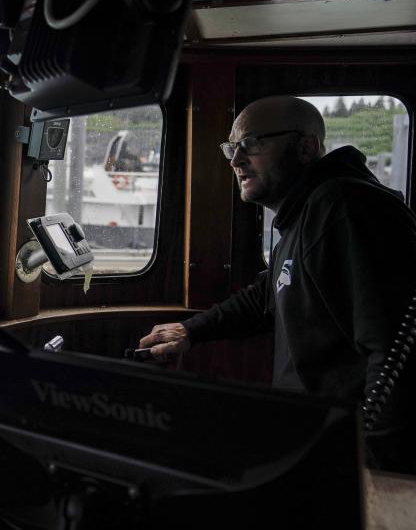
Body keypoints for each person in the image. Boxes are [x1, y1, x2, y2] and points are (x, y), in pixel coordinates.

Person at [139, 95, 416, 472]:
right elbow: (268, 292)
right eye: (232, 148)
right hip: (313, 439)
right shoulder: (305, 212)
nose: (236, 161)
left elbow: (393, 349)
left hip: (349, 452)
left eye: (252, 144)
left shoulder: (346, 207)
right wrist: (189, 330)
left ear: (307, 147)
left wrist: (375, 466)